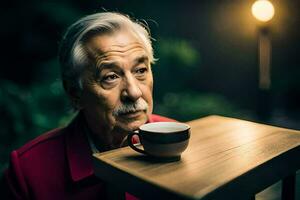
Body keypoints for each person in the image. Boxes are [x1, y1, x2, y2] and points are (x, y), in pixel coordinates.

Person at [2, 12, 175, 200]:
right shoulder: (27, 172)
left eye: (141, 70)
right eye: (110, 77)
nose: (134, 92)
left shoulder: (178, 142)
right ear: (75, 93)